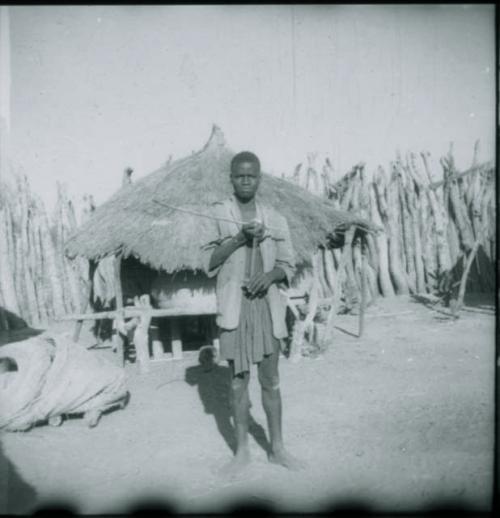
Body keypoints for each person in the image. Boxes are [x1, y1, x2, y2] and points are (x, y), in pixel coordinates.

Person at [203, 151, 304, 476]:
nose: (246, 181)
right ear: (231, 178)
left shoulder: (275, 217)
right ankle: (242, 452)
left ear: (259, 178)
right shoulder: (219, 213)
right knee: (237, 383)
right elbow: (208, 261)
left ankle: (277, 449)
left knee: (271, 381)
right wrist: (237, 238)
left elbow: (288, 264)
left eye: (252, 176)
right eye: (240, 176)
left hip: (266, 307)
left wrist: (270, 276)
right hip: (235, 308)